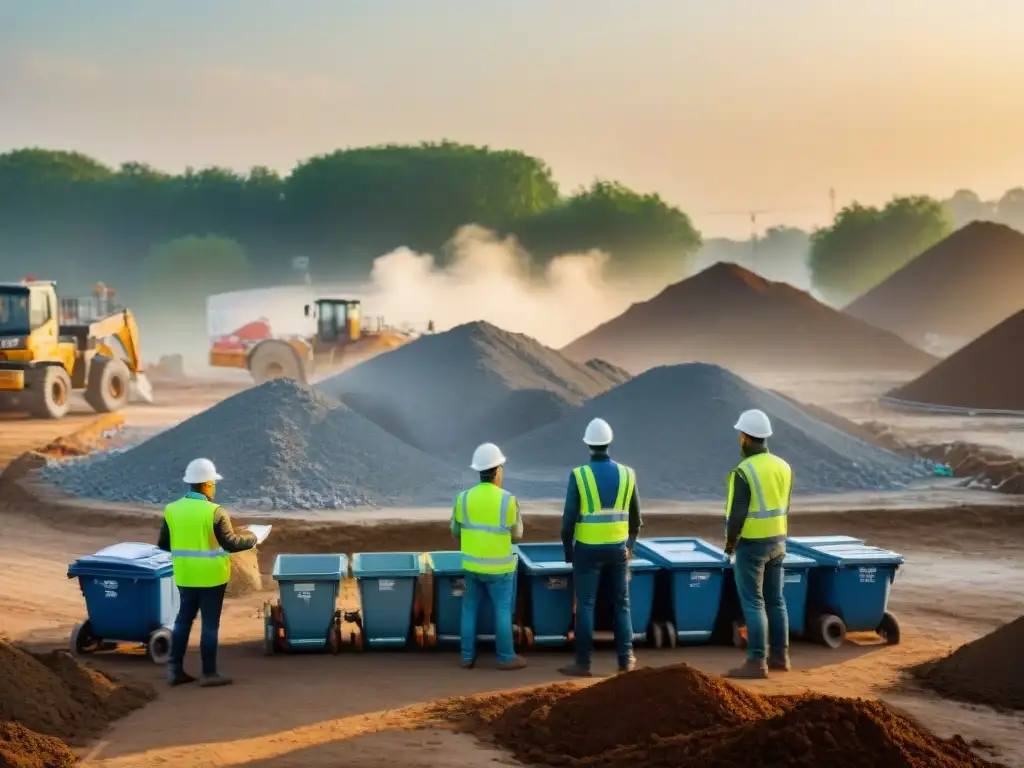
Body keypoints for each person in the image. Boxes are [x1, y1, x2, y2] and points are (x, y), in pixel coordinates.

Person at [157, 458, 257, 687]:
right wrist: (252, 538)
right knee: (210, 625)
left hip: (185, 575)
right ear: (207, 485)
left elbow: (164, 544)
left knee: (183, 621)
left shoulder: (172, 510)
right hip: (212, 577)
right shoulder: (215, 512)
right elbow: (231, 543)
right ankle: (209, 673)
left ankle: (174, 670)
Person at [558, 418, 642, 677]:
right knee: (622, 604)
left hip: (587, 551)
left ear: (588, 444)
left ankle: (583, 664)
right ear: (609, 443)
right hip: (617, 550)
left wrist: (568, 552)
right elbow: (636, 519)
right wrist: (630, 546)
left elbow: (568, 520)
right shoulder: (628, 474)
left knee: (586, 605)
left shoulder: (579, 475)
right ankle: (626, 660)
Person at [724, 409, 794, 679]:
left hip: (752, 544)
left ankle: (756, 662)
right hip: (778, 540)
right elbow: (784, 505)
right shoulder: (784, 467)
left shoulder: (744, 471)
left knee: (753, 602)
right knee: (776, 600)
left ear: (746, 438)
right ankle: (780, 657)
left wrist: (731, 544)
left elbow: (738, 512)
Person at [451, 442, 527, 671]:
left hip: (472, 567)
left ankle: (467, 656)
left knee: (469, 608)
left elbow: (455, 531)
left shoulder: (462, 498)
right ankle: (505, 657)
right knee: (502, 610)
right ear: (497, 471)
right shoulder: (508, 500)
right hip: (500, 570)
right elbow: (517, 536)